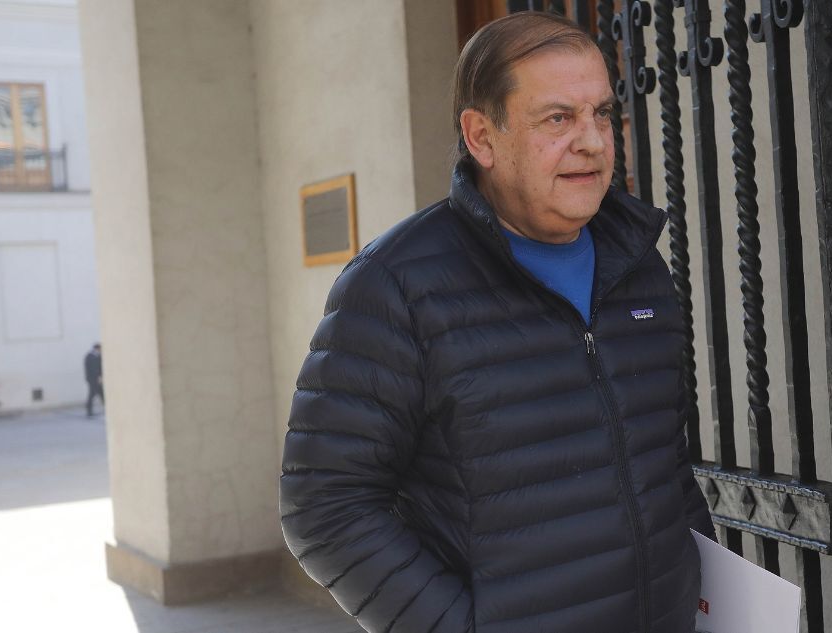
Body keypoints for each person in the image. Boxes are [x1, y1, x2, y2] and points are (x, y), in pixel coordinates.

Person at [279, 12, 714, 633]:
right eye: (558, 118)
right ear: (482, 137)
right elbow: (324, 506)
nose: (593, 142)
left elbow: (663, 464)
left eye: (601, 114)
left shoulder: (638, 264)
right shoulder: (396, 286)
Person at [84, 343, 102, 417]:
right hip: (93, 379)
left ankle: (108, 408)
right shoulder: (90, 356)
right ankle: (89, 410)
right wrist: (98, 377)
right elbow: (92, 369)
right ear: (97, 349)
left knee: (101, 393)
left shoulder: (97, 356)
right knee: (92, 394)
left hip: (97, 379)